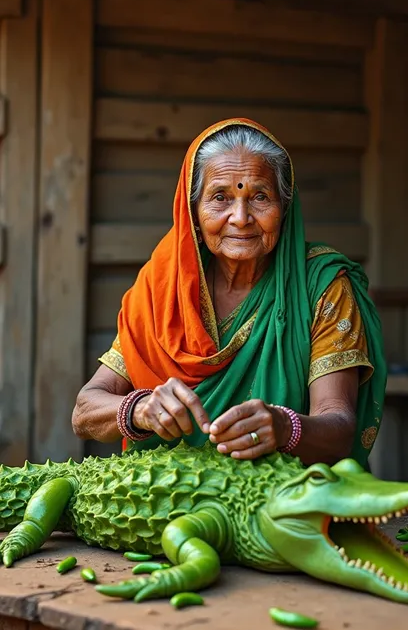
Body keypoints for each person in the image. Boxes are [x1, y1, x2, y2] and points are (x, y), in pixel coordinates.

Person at [72, 118, 386, 468]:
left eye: (260, 197)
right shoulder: (164, 287)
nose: (240, 217)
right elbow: (85, 410)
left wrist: (286, 429)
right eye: (221, 197)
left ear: (285, 208)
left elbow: (339, 427)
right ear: (193, 211)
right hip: (171, 502)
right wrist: (139, 408)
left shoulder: (320, 287)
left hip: (281, 506)